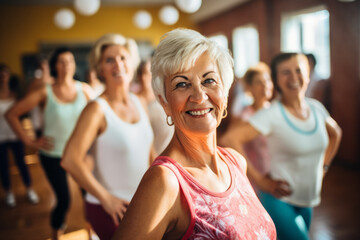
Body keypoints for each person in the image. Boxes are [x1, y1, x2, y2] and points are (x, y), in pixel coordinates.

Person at [112, 28, 276, 240]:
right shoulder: (165, 182)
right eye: (182, 84)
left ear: (224, 94)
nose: (199, 96)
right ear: (165, 103)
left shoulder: (236, 162)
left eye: (209, 81)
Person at [220, 52, 342, 240]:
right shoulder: (268, 115)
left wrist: (323, 167)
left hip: (306, 197)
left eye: (298, 70)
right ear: (277, 80)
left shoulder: (316, 108)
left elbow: (336, 134)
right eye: (286, 72)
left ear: (308, 74)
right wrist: (260, 180)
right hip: (276, 195)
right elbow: (229, 139)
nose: (293, 77)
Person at [61, 33, 155, 240]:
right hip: (111, 209)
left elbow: (149, 151)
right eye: (109, 60)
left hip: (142, 204)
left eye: (123, 58)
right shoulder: (97, 109)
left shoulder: (140, 102)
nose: (118, 64)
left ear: (132, 63)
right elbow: (70, 160)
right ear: (100, 69)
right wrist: (106, 198)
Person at [5, 47, 93, 240]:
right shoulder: (45, 92)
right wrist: (29, 141)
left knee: (89, 197)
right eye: (61, 61)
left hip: (79, 155)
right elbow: (11, 114)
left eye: (70, 61)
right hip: (52, 155)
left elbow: (100, 118)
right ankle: (56, 236)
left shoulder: (84, 90)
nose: (66, 65)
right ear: (55, 66)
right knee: (63, 200)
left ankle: (90, 233)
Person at [225, 63, 274, 188]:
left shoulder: (275, 111)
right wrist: (255, 175)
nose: (265, 86)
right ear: (249, 87)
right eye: (259, 82)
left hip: (277, 174)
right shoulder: (245, 116)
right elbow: (226, 141)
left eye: (267, 80)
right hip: (256, 177)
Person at [0, 65, 39, 208]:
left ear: (9, 76)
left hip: (15, 135)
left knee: (21, 164)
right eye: (1, 74)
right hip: (1, 137)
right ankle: (9, 193)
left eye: (5, 73)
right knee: (3, 167)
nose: (3, 76)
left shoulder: (16, 95)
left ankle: (29, 189)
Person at [133, 59, 174, 154]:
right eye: (143, 74)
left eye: (149, 74)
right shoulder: (133, 102)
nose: (146, 78)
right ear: (139, 77)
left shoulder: (163, 102)